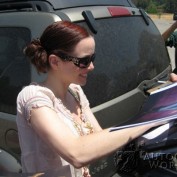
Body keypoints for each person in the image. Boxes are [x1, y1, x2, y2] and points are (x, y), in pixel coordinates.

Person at [16, 21, 161, 177]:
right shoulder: (34, 97)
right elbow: (76, 153)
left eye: (93, 58)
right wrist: (149, 119)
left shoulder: (75, 91)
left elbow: (99, 138)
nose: (91, 67)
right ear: (55, 61)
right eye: (84, 61)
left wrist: (166, 95)